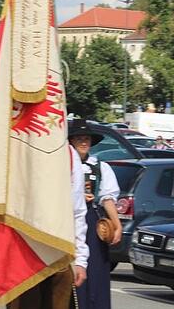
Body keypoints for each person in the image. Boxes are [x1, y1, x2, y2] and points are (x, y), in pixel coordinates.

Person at [6, 141, 88, 309]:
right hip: (23, 250)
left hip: (59, 249)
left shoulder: (69, 154)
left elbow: (77, 210)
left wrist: (81, 260)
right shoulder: (15, 146)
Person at [68, 120, 122, 309]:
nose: (83, 142)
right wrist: (76, 195)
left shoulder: (100, 167)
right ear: (71, 141)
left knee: (97, 269)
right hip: (68, 219)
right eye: (79, 139)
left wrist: (117, 225)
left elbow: (107, 198)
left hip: (92, 221)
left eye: (87, 139)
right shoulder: (63, 167)